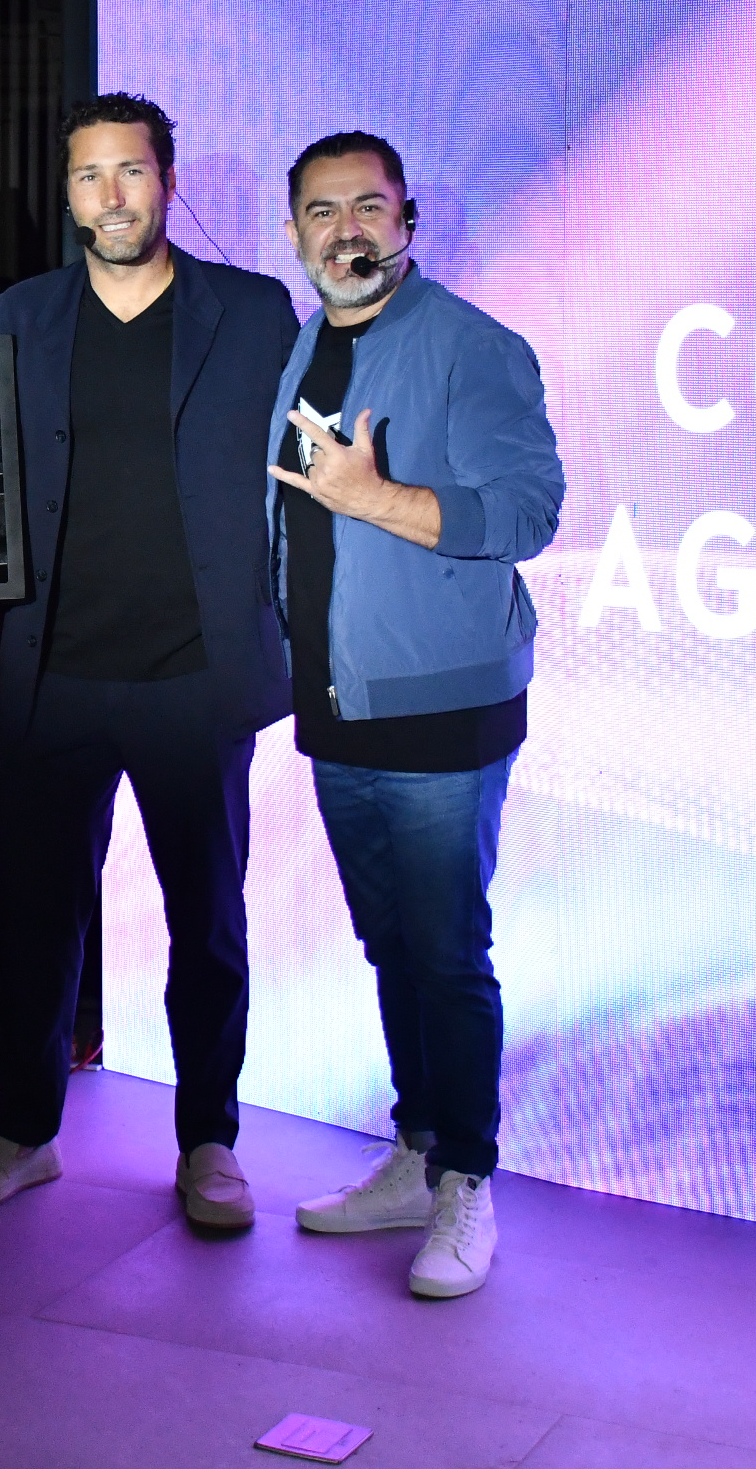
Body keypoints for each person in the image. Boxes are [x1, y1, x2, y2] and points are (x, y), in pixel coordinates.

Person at [0, 93, 296, 1230]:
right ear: (67, 191)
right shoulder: (23, 313)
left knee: (206, 923)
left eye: (131, 171)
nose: (111, 196)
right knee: (38, 918)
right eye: (89, 175)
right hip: (55, 670)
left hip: (196, 672)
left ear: (169, 181)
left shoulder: (253, 312)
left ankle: (210, 1141)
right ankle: (23, 1134)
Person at [266, 131, 563, 1299]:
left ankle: (469, 1178)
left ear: (408, 221)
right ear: (294, 233)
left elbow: (528, 510)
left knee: (446, 951)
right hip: (338, 705)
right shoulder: (306, 344)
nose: (347, 229)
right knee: (390, 943)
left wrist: (377, 497)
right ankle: (418, 1148)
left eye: (369, 207)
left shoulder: (475, 346)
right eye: (322, 210)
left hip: (446, 711)